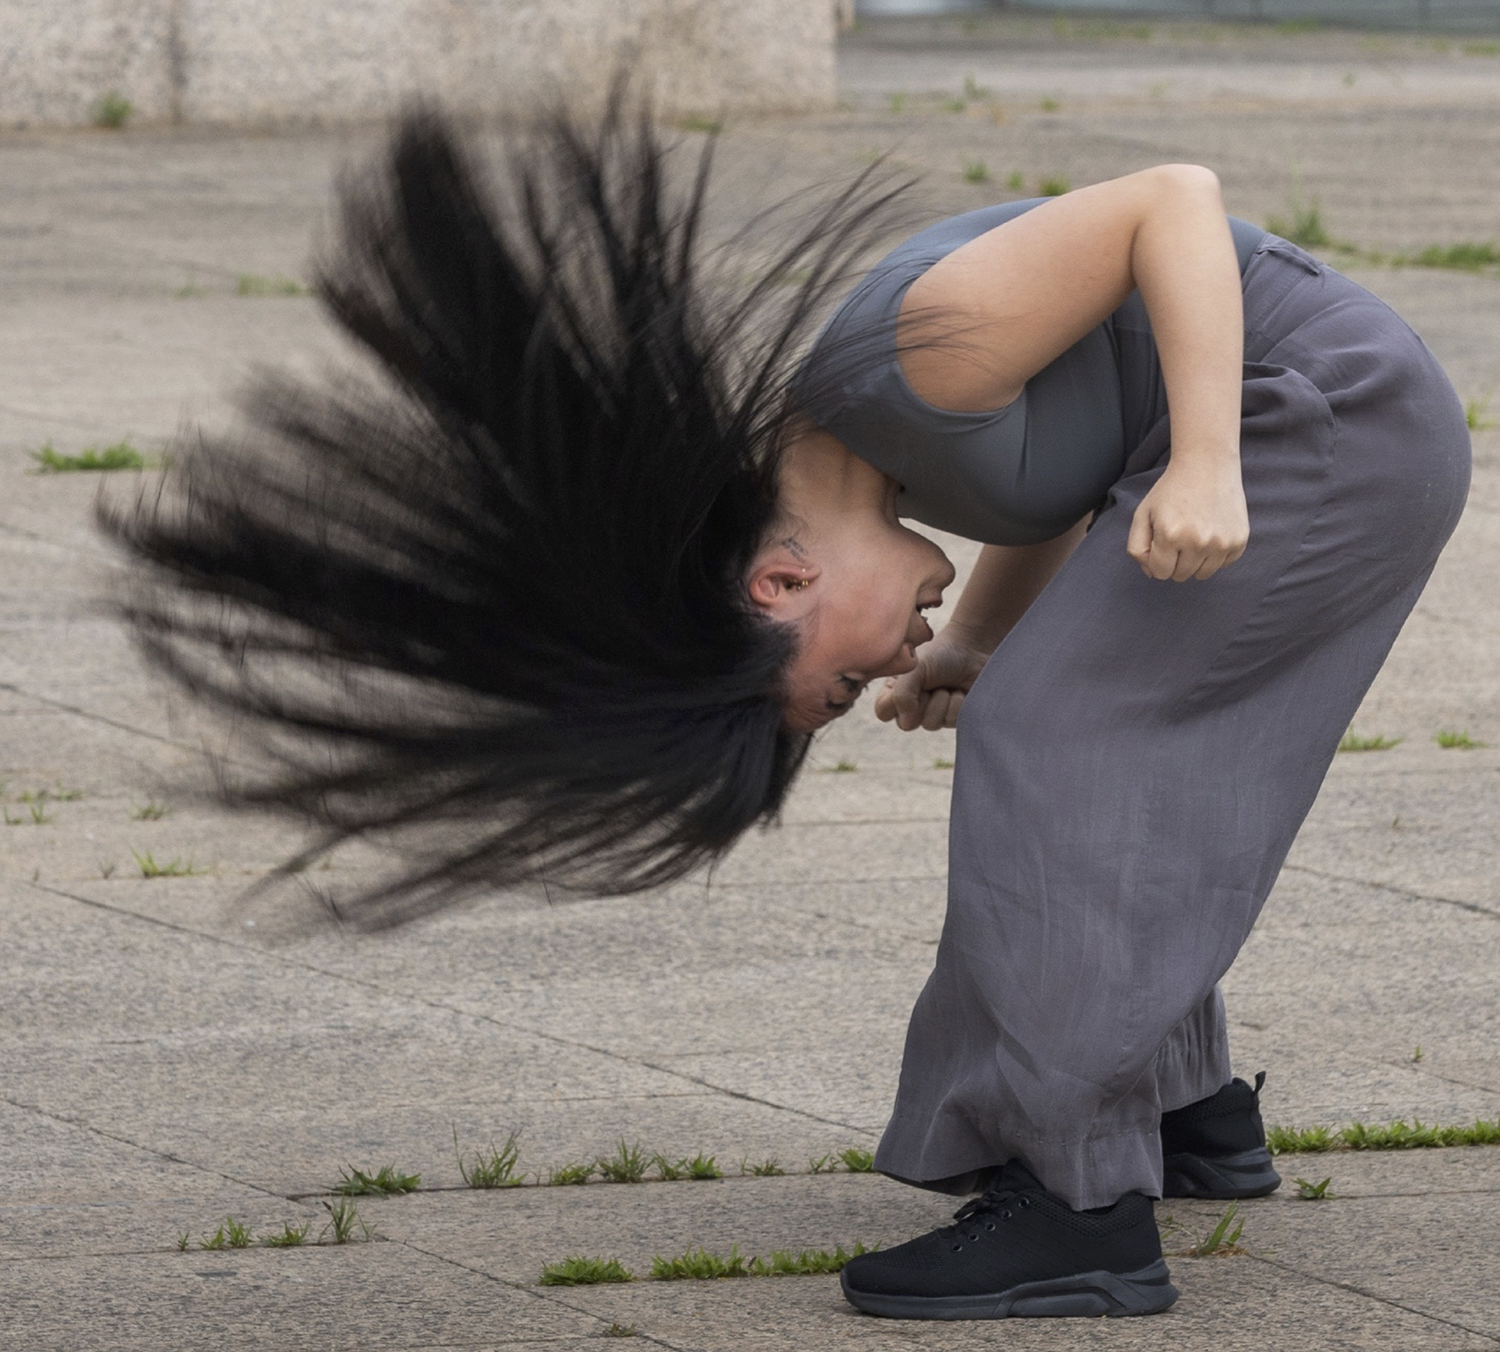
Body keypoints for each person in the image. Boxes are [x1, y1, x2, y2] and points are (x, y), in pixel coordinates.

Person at [106, 104, 1470, 1319]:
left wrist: (1215, 459)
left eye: (831, 683)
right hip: (1322, 416)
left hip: (1317, 418)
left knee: (1058, 744)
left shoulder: (900, 369)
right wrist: (979, 641)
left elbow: (1168, 198)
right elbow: (1077, 464)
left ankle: (1075, 1213)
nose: (875, 678)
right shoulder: (882, 435)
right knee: (1084, 740)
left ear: (779, 580)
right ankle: (1187, 1117)